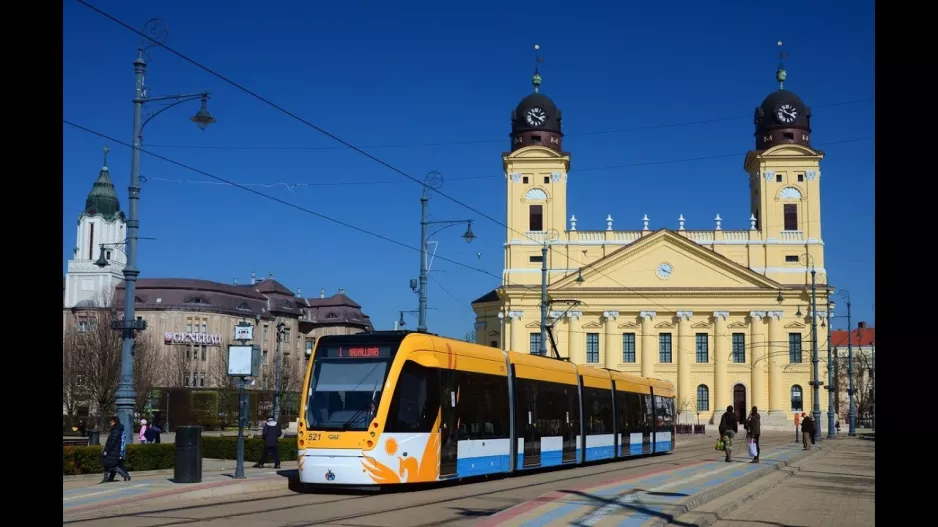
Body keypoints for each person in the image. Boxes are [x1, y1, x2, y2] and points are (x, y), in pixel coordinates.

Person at [101, 416, 131, 483]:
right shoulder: (116, 429)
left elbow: (112, 442)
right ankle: (107, 479)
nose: (110, 422)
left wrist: (106, 451)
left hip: (113, 451)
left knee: (113, 465)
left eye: (111, 421)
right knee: (108, 464)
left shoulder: (116, 430)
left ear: (115, 422)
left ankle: (125, 476)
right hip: (114, 450)